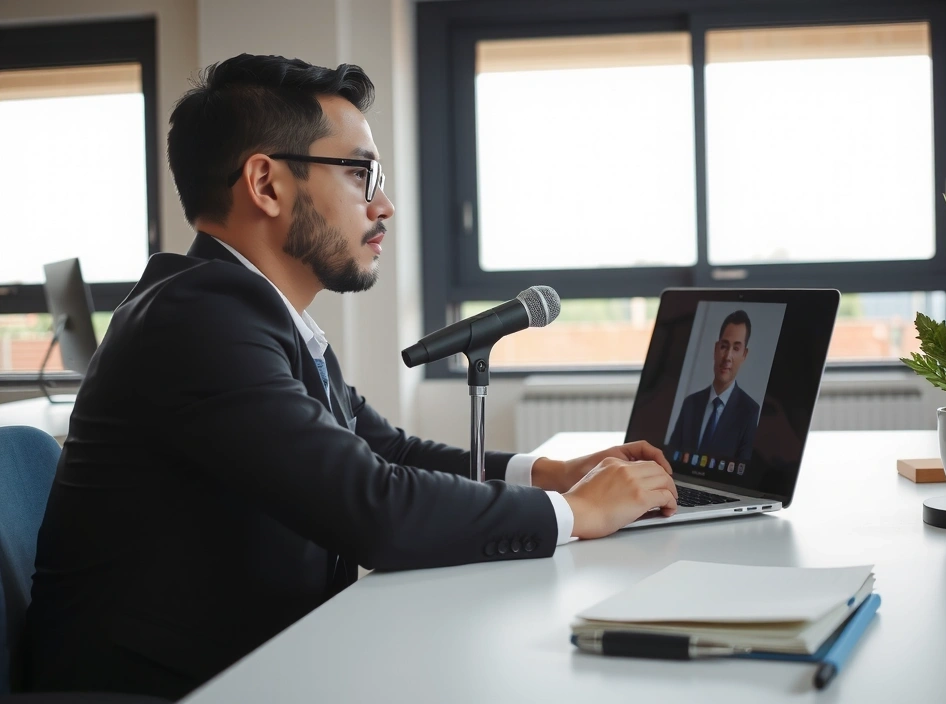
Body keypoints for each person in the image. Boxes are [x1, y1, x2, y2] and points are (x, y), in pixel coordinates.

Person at [23, 54, 679, 700]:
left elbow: (385, 450)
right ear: (267, 184)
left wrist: (546, 474)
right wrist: (576, 512)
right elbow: (373, 507)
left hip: (263, 659)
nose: (384, 205)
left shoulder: (256, 314)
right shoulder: (196, 322)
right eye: (362, 173)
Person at [667, 310, 760, 460]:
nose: (727, 357)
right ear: (716, 348)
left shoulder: (750, 412)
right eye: (724, 346)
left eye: (736, 348)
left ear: (744, 355)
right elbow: (670, 456)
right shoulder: (690, 403)